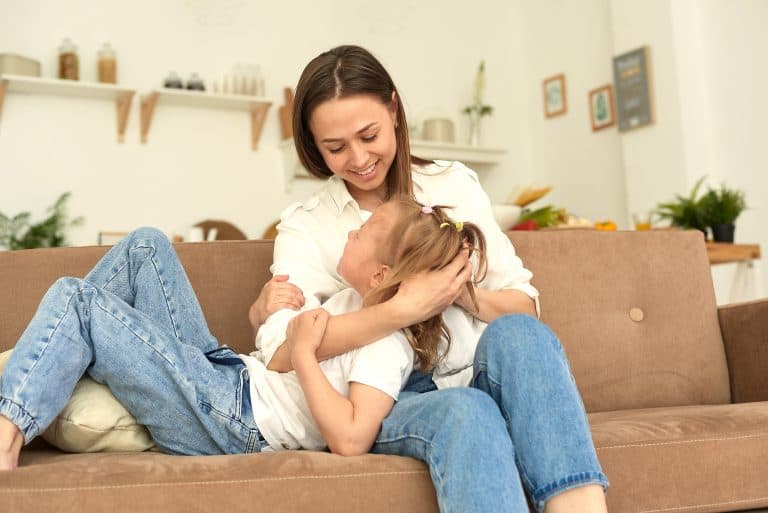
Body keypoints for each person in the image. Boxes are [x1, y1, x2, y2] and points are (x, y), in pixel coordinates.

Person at [249, 45, 609, 513]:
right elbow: (279, 350)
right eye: (335, 148)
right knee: (464, 413)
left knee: (521, 336)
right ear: (314, 147)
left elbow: (525, 304)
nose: (358, 159)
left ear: (394, 109)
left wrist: (456, 291)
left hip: (474, 377)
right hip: (390, 402)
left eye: (369, 134)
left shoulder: (453, 185)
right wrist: (402, 309)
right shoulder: (307, 224)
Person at [0, 197, 488, 469]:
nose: (351, 232)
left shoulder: (387, 348)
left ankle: (7, 429)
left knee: (77, 299)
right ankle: (41, 365)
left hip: (233, 423)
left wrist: (302, 354)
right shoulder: (350, 302)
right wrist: (281, 328)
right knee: (146, 245)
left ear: (381, 275)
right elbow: (276, 354)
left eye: (363, 233)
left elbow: (352, 438)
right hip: (229, 377)